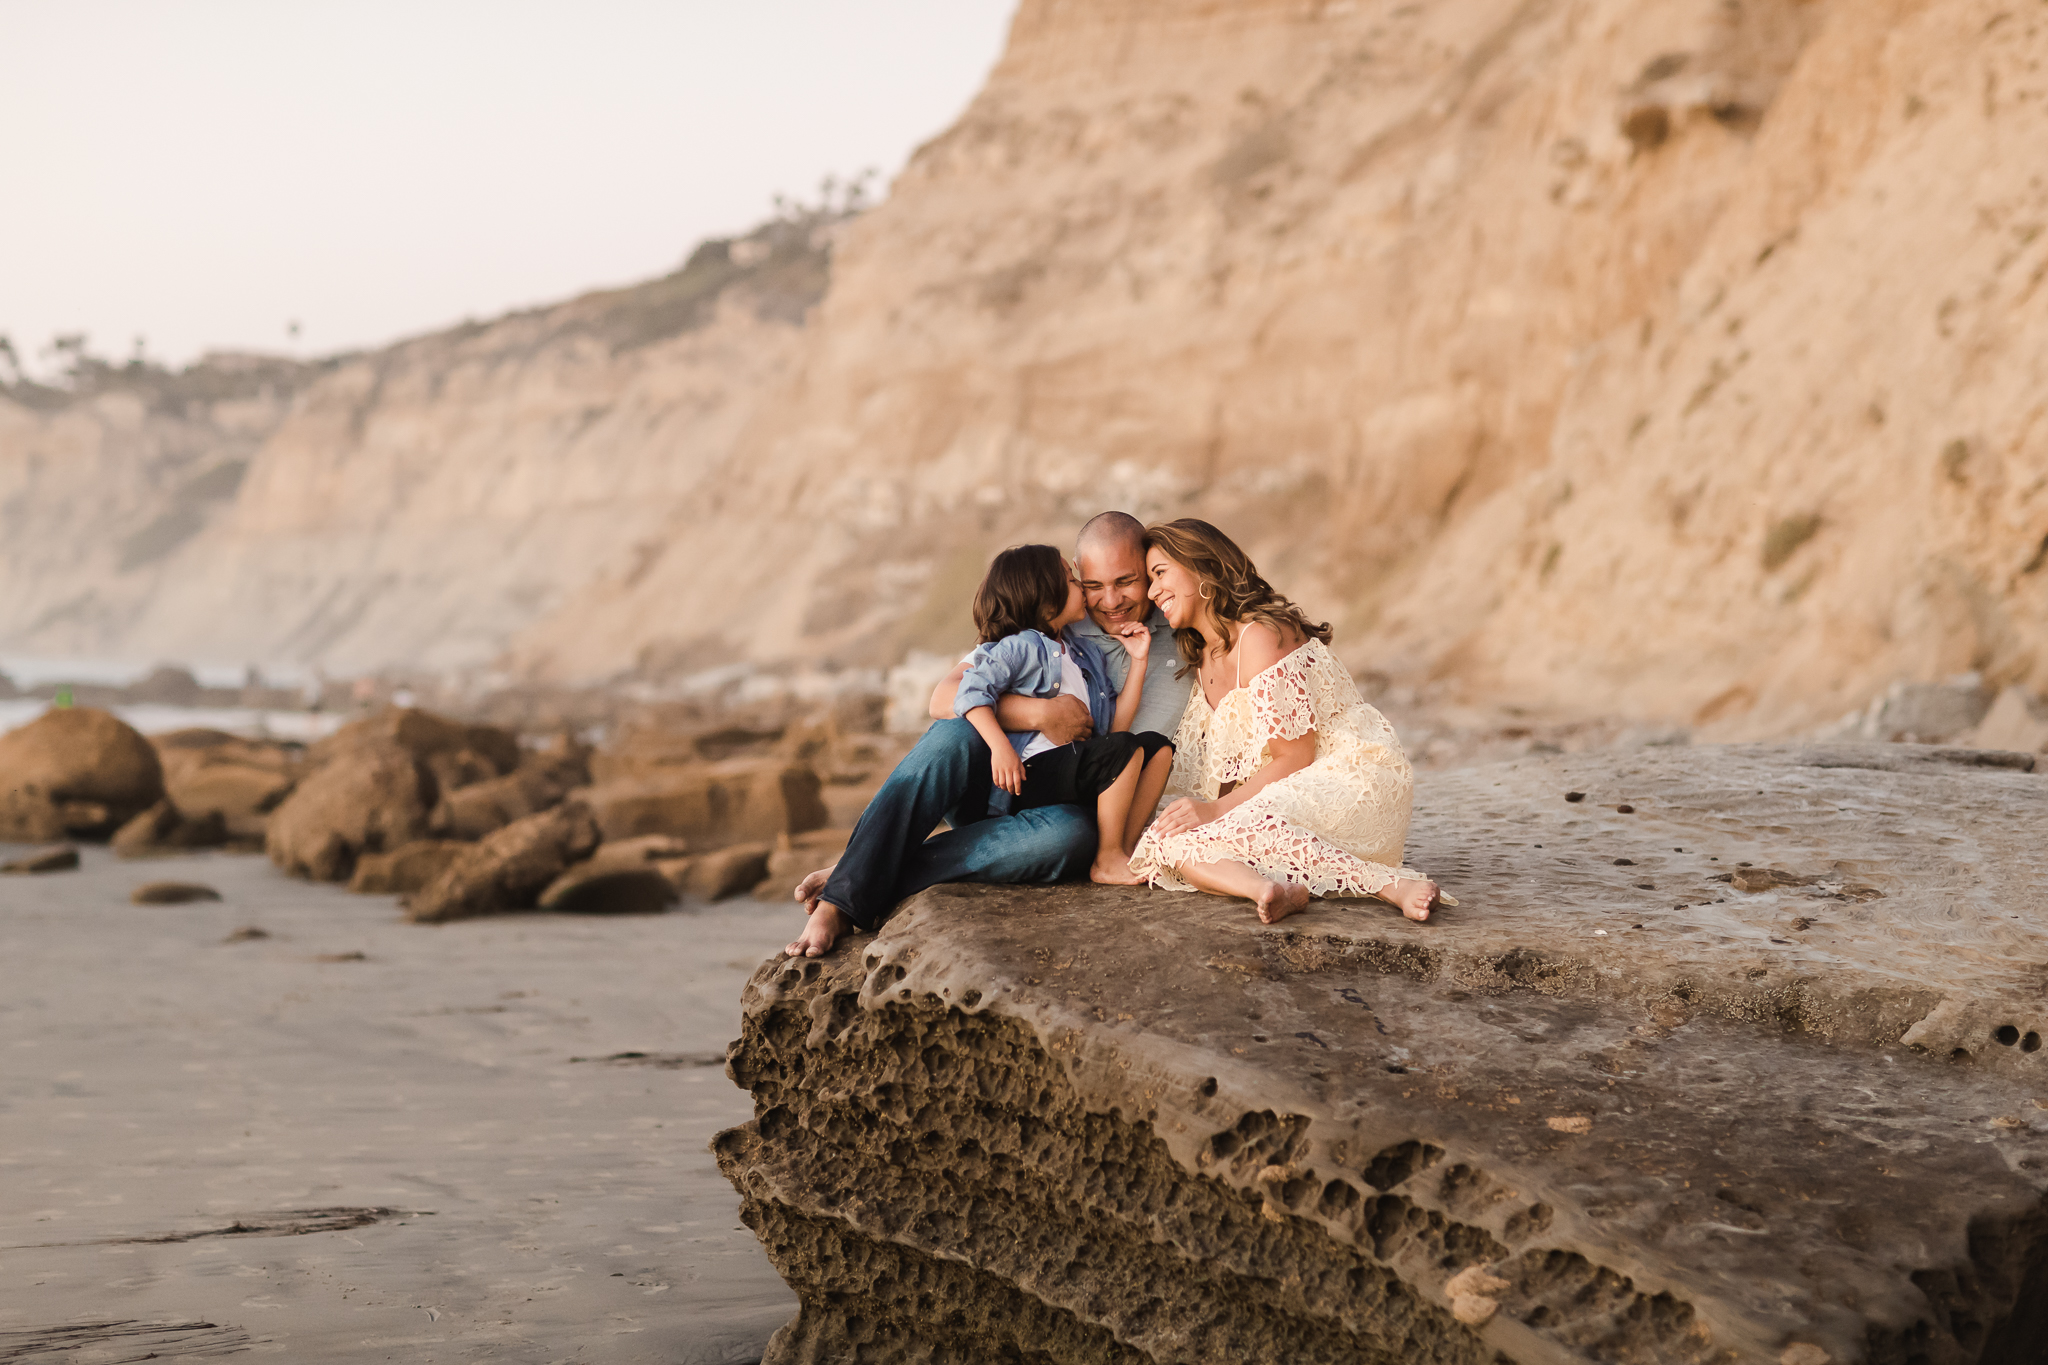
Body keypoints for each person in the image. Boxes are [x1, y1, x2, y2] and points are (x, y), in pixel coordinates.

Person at [783, 513, 1180, 957]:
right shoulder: (1045, 628)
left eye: (1126, 582)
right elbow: (945, 697)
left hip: (1057, 801)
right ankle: (840, 900)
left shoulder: (1170, 628)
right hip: (996, 777)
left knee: (1070, 835)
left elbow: (1112, 737)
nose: (1110, 601)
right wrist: (1040, 713)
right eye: (1089, 586)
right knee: (956, 733)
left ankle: (857, 873)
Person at [1128, 518, 1453, 925]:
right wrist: (1207, 813)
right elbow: (1230, 769)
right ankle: (1268, 890)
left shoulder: (1261, 635)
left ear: (1204, 569)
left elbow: (1296, 755)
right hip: (1279, 792)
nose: (1152, 591)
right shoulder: (1201, 656)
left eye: (1160, 574)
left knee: (1222, 824)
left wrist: (1215, 812)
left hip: (1344, 777)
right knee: (1166, 839)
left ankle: (1390, 886)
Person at [951, 545, 1175, 885]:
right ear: (1046, 601)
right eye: (1073, 581)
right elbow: (970, 691)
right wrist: (999, 747)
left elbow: (1114, 730)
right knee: (1123, 749)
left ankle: (1121, 850)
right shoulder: (1020, 646)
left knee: (1157, 747)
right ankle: (1107, 859)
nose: (1082, 589)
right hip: (1028, 776)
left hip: (1072, 770)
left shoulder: (1086, 654)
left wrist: (1139, 661)